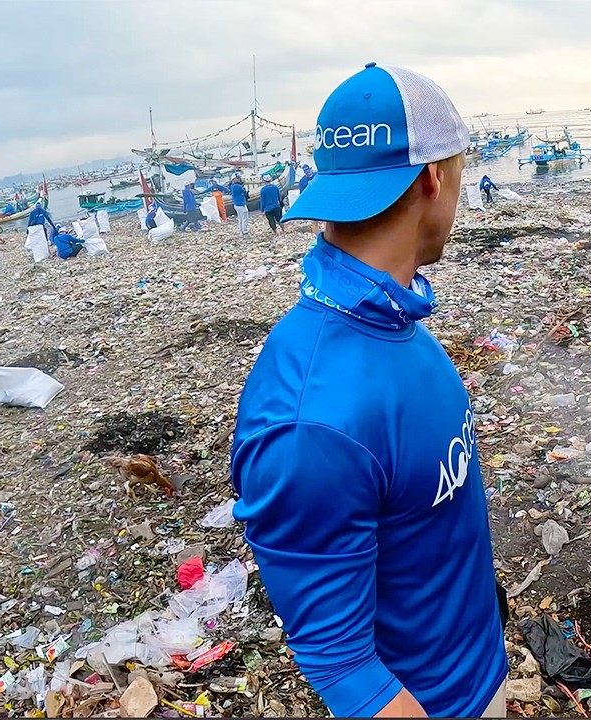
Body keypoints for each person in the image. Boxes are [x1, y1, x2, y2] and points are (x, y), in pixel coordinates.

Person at [230, 62, 507, 719]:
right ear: (434, 179)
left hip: (480, 667)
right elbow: (343, 666)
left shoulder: (398, 317)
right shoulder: (313, 423)